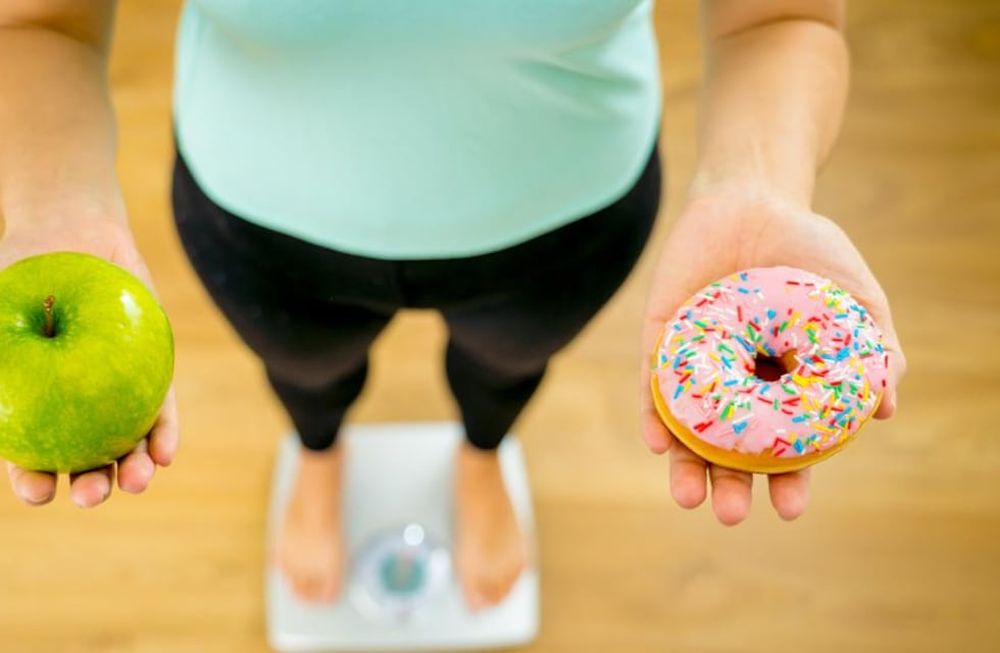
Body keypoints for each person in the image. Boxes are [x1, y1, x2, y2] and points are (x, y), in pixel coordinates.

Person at [0, 0, 905, 610]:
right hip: (258, 220)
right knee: (306, 372)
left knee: (506, 367)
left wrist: (764, 185)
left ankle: (484, 451)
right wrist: (52, 209)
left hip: (565, 218)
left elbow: (780, 15)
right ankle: (317, 451)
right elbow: (40, 19)